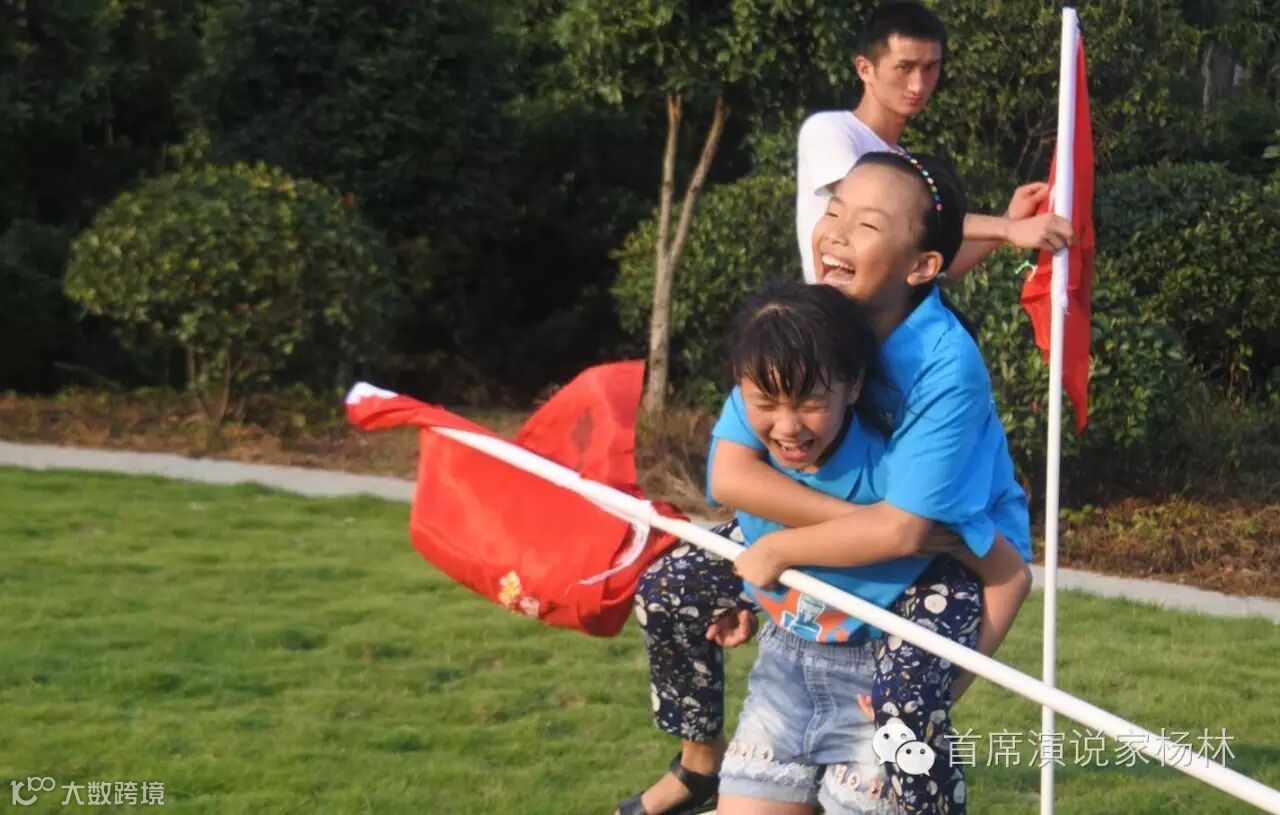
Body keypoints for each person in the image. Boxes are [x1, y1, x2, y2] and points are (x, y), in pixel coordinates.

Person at [713, 152, 1031, 815]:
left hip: (941, 569)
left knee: (908, 717)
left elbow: (918, 536)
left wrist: (783, 547)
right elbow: (730, 473)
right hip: (822, 608)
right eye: (834, 212)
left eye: (866, 224)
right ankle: (692, 766)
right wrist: (837, 531)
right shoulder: (804, 322)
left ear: (923, 266)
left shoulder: (946, 364)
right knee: (673, 581)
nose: (834, 233)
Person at [796, 1, 1071, 285]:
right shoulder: (829, 131)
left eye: (929, 68)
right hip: (830, 310)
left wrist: (1010, 216)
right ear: (865, 69)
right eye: (904, 67)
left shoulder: (907, 163)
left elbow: (943, 267)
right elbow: (884, 207)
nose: (918, 85)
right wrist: (1007, 228)